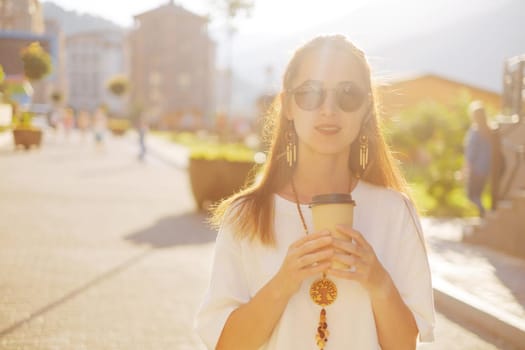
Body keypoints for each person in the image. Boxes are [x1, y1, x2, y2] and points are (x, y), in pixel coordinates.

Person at [195, 34, 435, 350]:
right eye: (310, 93)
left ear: (366, 108)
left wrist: (378, 281)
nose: (328, 109)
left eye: (348, 94)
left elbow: (405, 346)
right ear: (288, 105)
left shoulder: (394, 211)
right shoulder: (246, 215)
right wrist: (284, 282)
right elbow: (226, 345)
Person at [464, 101, 493, 217]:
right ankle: (483, 214)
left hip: (475, 169)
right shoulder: (490, 130)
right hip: (485, 169)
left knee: (471, 195)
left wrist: (466, 170)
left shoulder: (475, 132)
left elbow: (471, 154)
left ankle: (483, 213)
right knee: (478, 194)